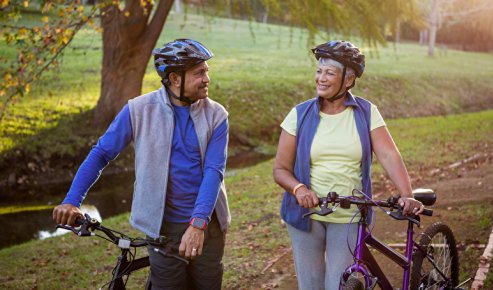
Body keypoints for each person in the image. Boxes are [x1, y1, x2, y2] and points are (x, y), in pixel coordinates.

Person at [52, 39, 230, 290]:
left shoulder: (216, 115)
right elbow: (101, 153)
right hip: (162, 228)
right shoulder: (139, 110)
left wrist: (198, 224)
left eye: (206, 71)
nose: (206, 78)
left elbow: (214, 171)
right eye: (199, 72)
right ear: (175, 78)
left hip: (208, 225)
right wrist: (72, 200)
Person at [273, 40, 425, 290]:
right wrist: (299, 189)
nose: (321, 78)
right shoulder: (299, 115)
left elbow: (389, 155)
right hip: (306, 214)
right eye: (319, 71)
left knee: (339, 285)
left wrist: (407, 194)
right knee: (310, 285)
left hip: (350, 215)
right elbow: (280, 169)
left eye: (329, 73)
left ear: (349, 80)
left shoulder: (366, 112)